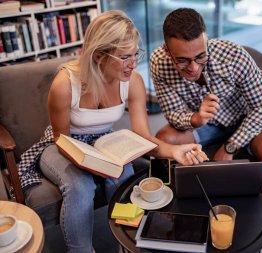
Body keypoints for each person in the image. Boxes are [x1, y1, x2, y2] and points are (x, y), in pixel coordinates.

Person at [18, 10, 204, 253]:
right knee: (80, 186)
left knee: (123, 177)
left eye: (136, 53)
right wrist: (87, 164)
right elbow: (60, 139)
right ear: (98, 56)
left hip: (105, 143)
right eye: (125, 57)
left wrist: (175, 151)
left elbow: (142, 136)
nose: (134, 63)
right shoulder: (65, 84)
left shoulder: (133, 81)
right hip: (62, 145)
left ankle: (125, 246)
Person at [150, 8, 262, 196]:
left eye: (200, 56)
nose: (194, 68)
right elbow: (173, 113)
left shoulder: (233, 56)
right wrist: (196, 119)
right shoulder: (159, 63)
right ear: (167, 50)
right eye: (182, 60)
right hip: (205, 125)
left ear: (207, 40)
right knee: (164, 139)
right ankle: (182, 199)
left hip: (246, 119)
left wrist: (230, 146)